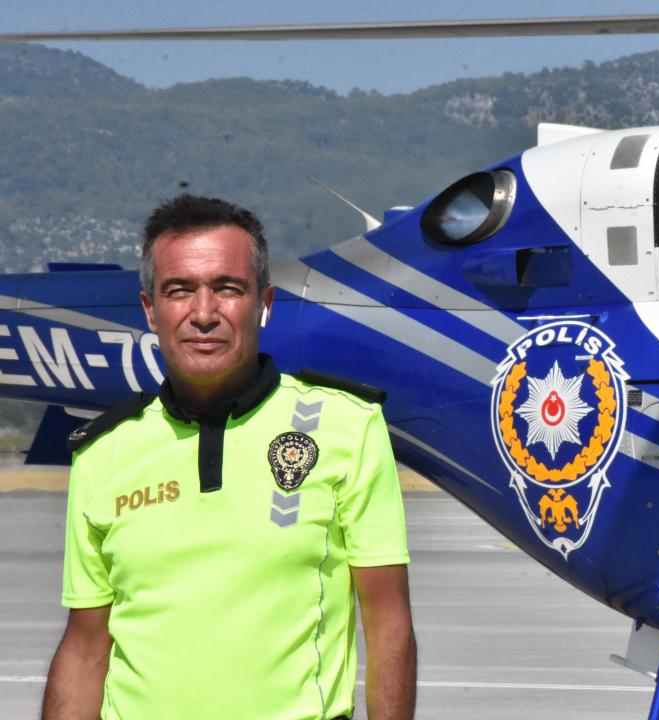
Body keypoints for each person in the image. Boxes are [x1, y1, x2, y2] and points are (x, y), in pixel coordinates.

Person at [41, 195, 416, 720]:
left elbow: (388, 622)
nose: (203, 314)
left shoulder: (347, 427)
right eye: (179, 291)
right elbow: (84, 648)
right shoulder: (103, 451)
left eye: (227, 288)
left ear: (265, 302)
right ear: (150, 310)